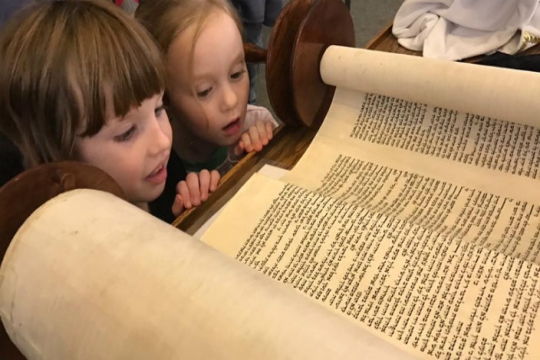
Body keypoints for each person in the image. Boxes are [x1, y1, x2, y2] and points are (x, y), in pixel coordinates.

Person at [0, 0, 219, 223]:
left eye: (158, 108)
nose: (162, 141)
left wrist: (190, 217)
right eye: (127, 132)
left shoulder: (166, 169)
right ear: (60, 152)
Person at [135, 0, 278, 176]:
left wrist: (271, 154)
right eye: (205, 91)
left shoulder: (259, 122)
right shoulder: (157, 163)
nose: (230, 100)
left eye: (236, 74)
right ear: (165, 98)